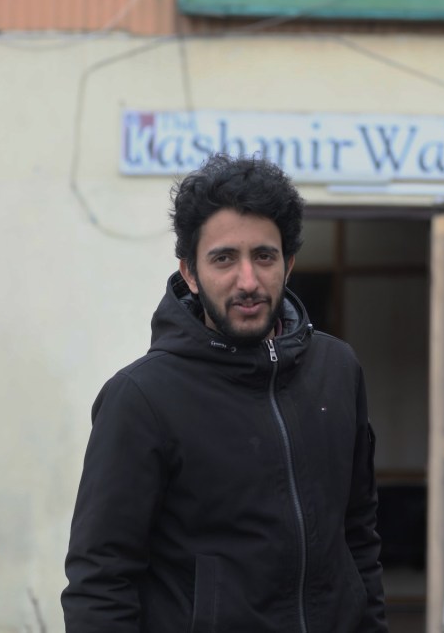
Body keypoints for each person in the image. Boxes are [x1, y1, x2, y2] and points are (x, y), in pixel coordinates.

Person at [62, 154, 387, 632]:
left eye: (264, 256)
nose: (248, 281)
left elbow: (358, 536)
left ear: (288, 265)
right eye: (224, 258)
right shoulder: (141, 398)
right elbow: (100, 581)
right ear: (190, 273)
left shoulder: (336, 371)